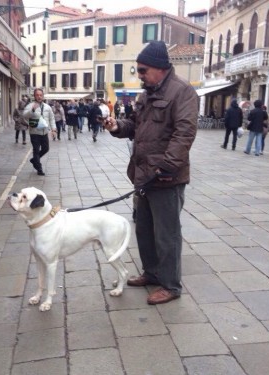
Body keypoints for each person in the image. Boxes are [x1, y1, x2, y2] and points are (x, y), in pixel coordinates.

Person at [103, 41, 198, 305]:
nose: (140, 75)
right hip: (143, 175)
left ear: (159, 68)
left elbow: (184, 133)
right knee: (144, 229)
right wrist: (115, 126)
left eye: (142, 70)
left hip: (166, 177)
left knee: (167, 234)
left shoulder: (183, 92)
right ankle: (152, 273)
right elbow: (134, 125)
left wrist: (165, 167)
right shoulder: (146, 95)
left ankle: (170, 285)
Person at [23, 88, 56, 176]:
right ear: (34, 96)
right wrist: (32, 111)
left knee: (46, 148)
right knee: (36, 150)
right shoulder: (30, 106)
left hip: (44, 131)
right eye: (37, 95)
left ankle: (34, 160)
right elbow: (24, 116)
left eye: (40, 95)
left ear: (43, 96)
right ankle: (39, 168)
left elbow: (51, 118)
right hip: (34, 132)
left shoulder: (47, 107)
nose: (39, 97)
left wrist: (54, 129)